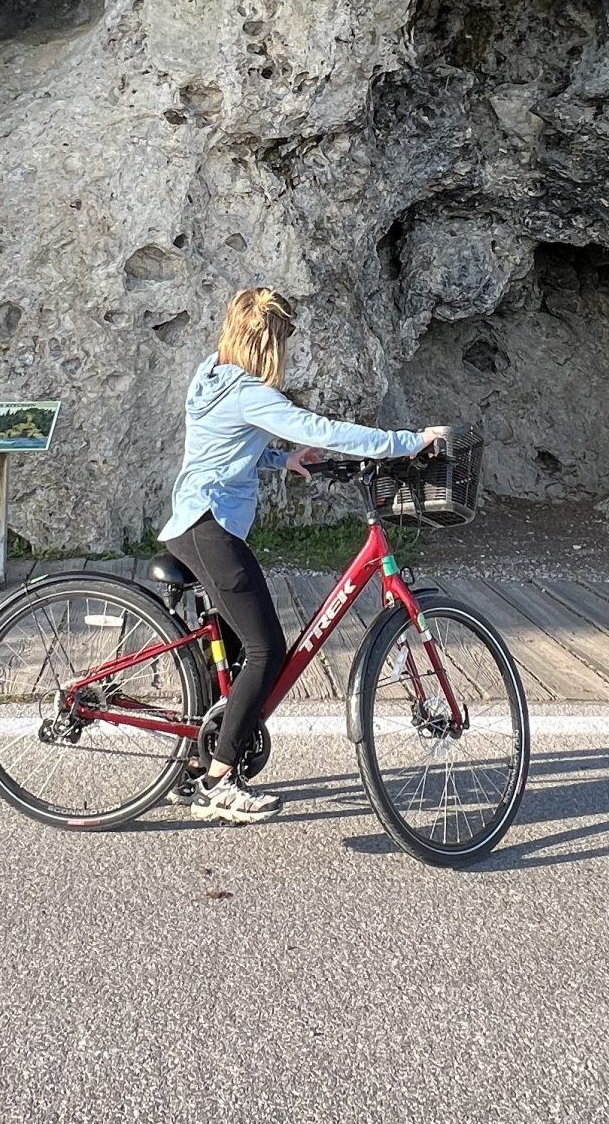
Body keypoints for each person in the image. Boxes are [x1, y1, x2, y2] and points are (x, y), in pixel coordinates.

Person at [161, 286, 448, 825]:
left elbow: (221, 444)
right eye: (283, 341)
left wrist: (278, 458)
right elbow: (323, 429)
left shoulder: (211, 375)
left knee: (236, 653)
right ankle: (215, 784)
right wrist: (406, 441)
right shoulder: (247, 392)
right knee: (267, 648)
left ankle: (197, 762)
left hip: (194, 522)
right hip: (210, 529)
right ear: (268, 342)